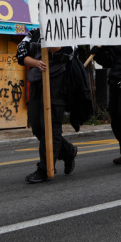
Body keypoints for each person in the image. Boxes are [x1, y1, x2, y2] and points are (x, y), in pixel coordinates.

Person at [16, 29, 76, 184]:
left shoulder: (67, 31)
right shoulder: (34, 33)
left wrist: (51, 34)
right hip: (37, 82)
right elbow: (21, 54)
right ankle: (68, 151)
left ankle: (45, 168)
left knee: (51, 127)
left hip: (57, 85)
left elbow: (62, 54)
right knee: (37, 127)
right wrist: (36, 63)